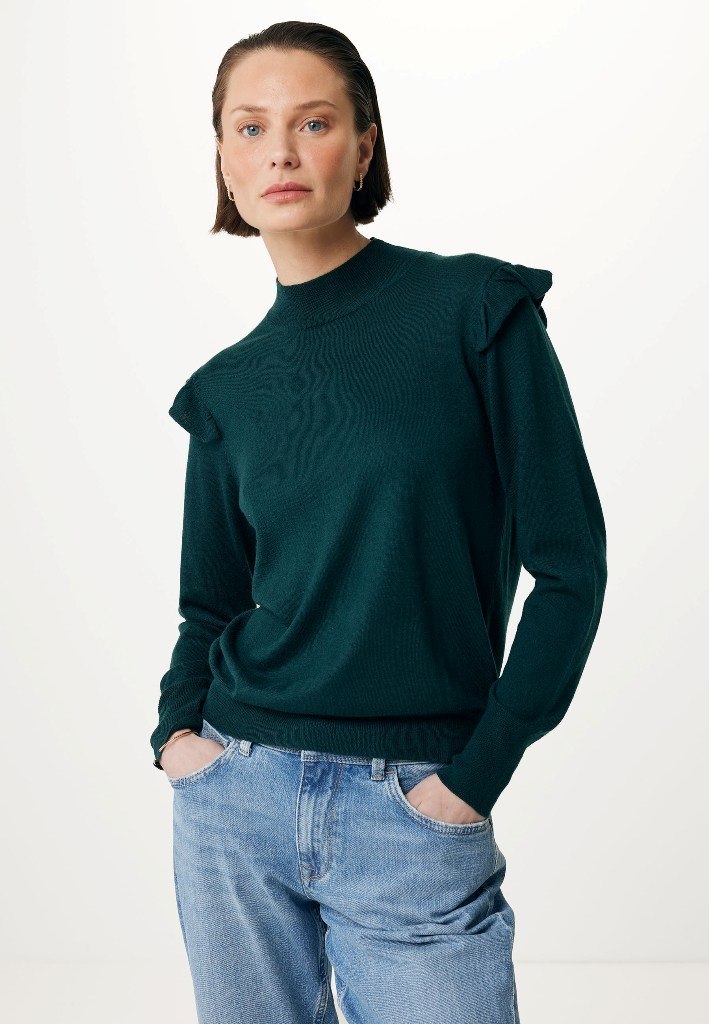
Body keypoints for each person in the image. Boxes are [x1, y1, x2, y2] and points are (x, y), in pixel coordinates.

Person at [149, 20, 607, 1024]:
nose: (279, 151)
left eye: (312, 122)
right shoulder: (225, 391)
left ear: (363, 146)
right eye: (250, 127)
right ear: (223, 161)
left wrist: (476, 772)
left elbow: (569, 565)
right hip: (235, 798)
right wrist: (179, 737)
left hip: (414, 806)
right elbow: (209, 604)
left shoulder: (473, 309)